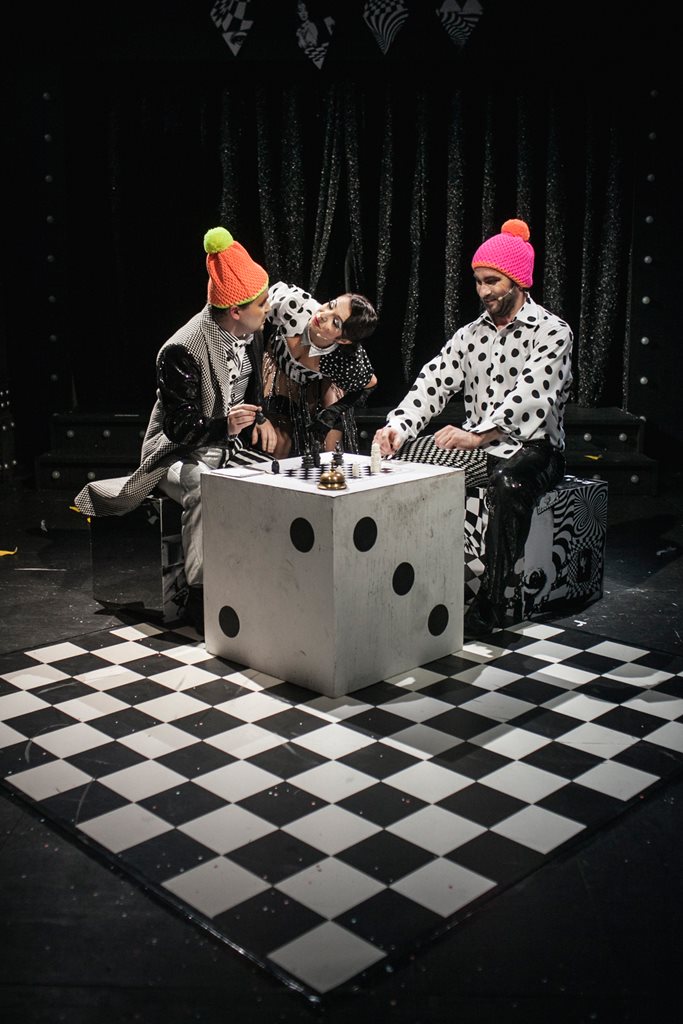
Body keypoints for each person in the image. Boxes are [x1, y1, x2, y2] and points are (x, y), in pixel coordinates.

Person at [373, 219, 573, 640]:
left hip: (534, 449)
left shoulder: (552, 331)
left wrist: (480, 434)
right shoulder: (470, 335)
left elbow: (533, 395)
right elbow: (433, 382)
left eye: (492, 281)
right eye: (479, 281)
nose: (484, 291)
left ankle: (492, 602)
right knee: (401, 459)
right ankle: (405, 578)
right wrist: (398, 427)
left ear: (518, 280)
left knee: (508, 484)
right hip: (479, 450)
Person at [73, 226, 277, 634]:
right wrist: (225, 425)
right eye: (261, 303)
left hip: (224, 449)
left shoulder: (249, 334)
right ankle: (201, 595)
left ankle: (257, 580)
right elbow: (180, 427)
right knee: (204, 486)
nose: (267, 308)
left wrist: (261, 418)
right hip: (175, 453)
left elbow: (248, 391)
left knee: (271, 478)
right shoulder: (181, 349)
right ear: (236, 310)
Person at [262, 280, 378, 458]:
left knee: (329, 449)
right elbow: (253, 311)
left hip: (316, 380)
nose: (323, 315)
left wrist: (333, 411)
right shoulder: (293, 305)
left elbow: (369, 383)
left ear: (343, 340)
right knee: (279, 443)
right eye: (331, 305)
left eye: (336, 322)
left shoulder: (344, 358)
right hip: (280, 366)